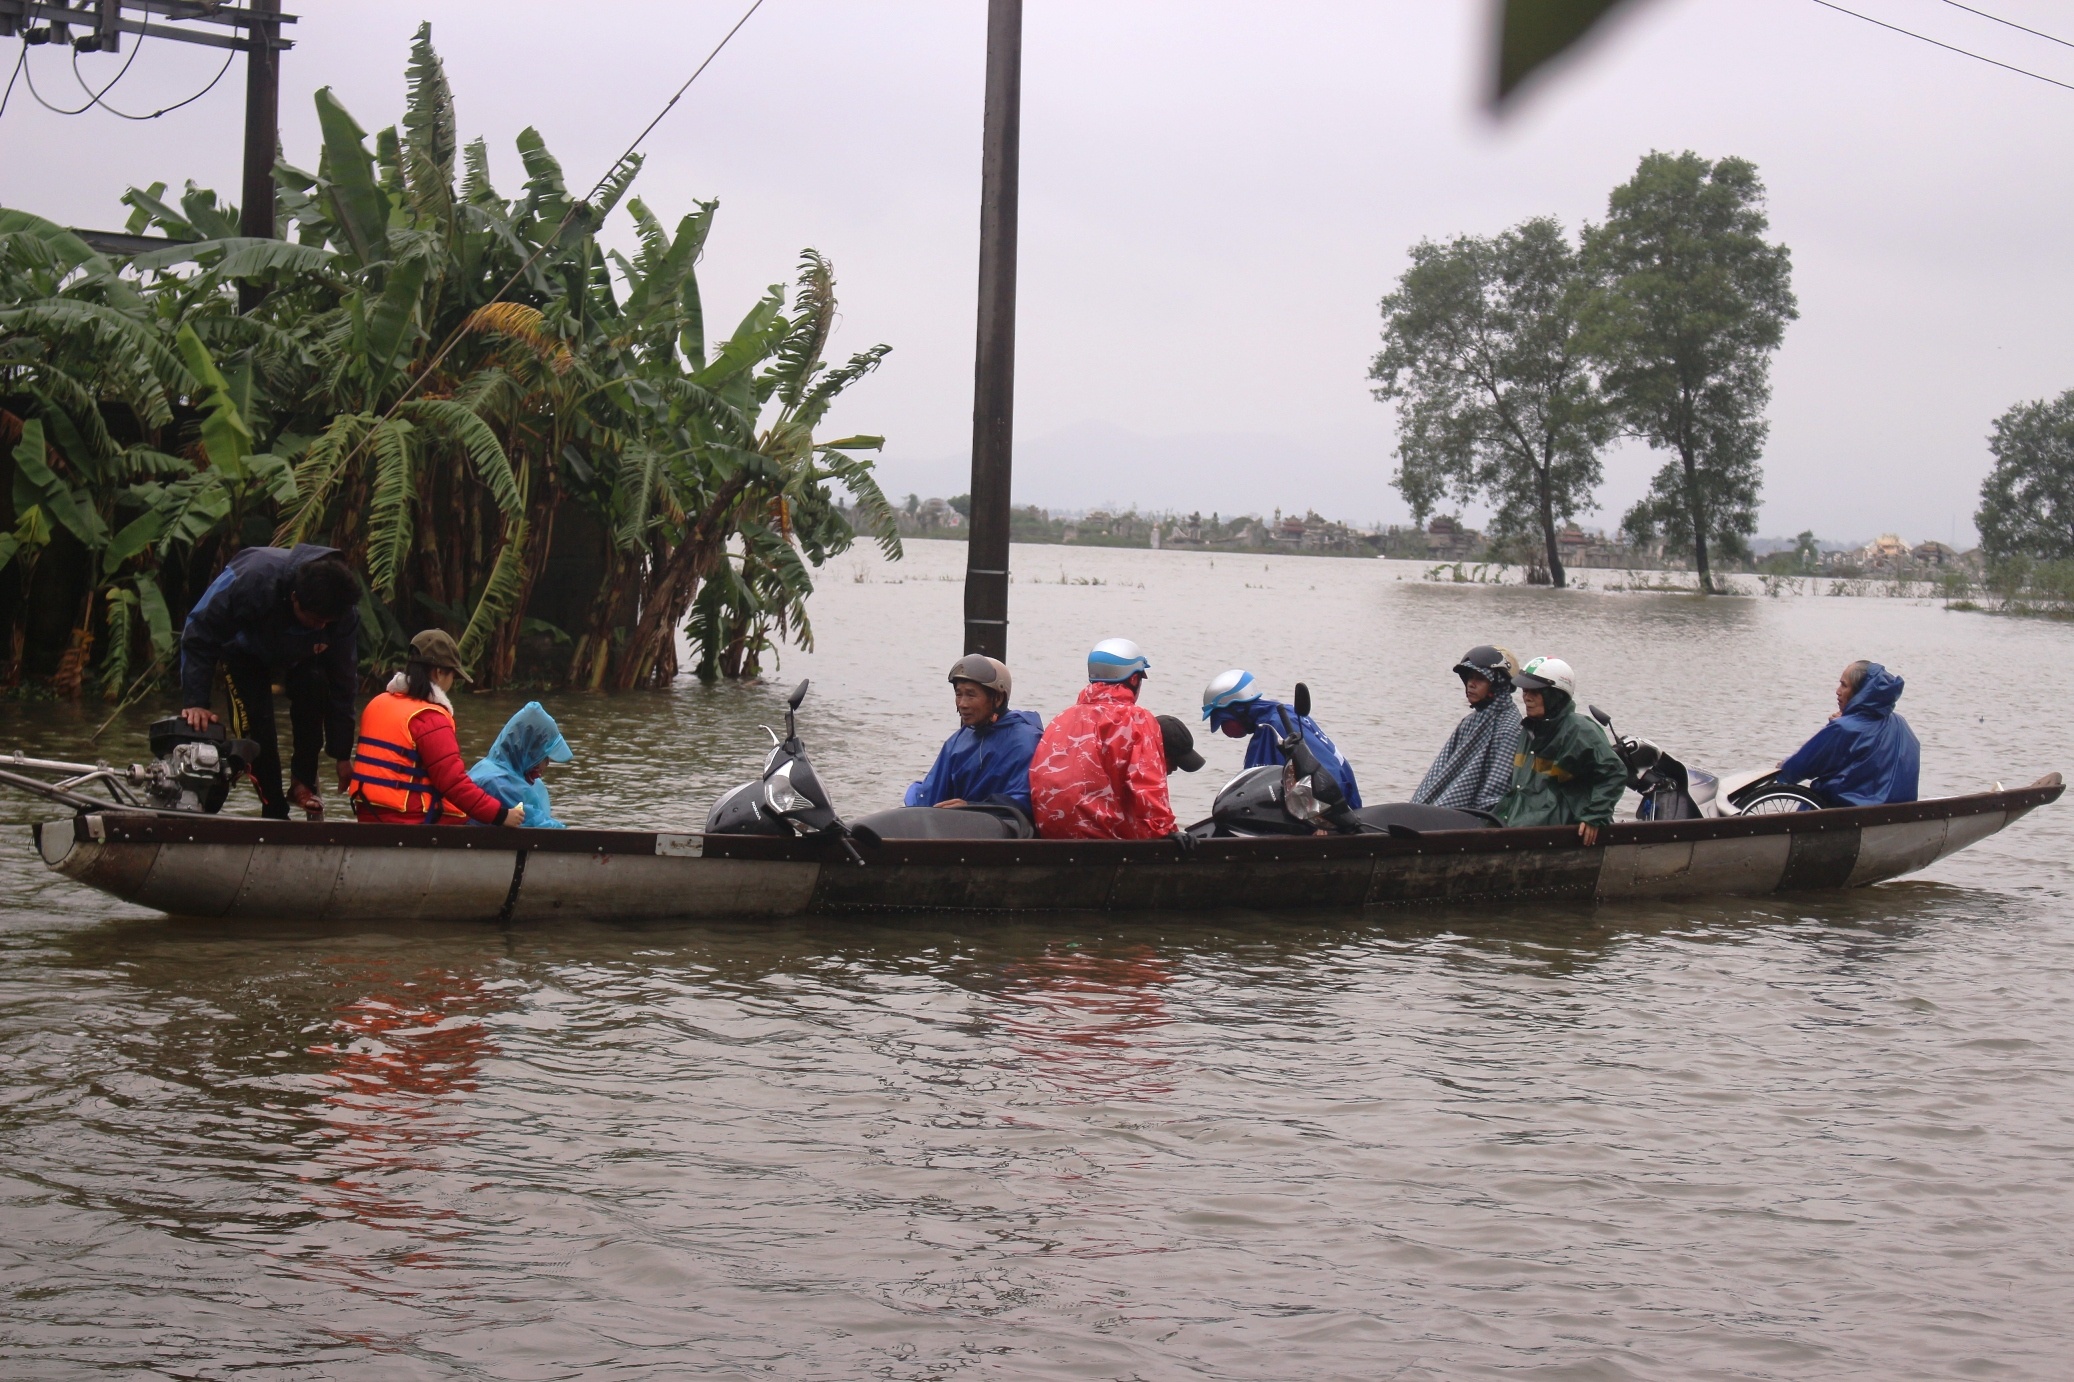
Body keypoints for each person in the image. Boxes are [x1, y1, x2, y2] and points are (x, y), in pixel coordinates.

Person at [178, 543, 361, 820]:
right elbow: (199, 632)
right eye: (315, 620)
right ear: (295, 598)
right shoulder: (252, 580)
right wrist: (196, 702)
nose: (321, 627)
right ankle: (274, 809)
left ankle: (302, 781)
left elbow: (343, 682)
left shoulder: (341, 613)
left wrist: (342, 754)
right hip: (243, 654)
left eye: (327, 622)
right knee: (259, 732)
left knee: (316, 686)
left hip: (301, 657)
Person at [348, 630, 522, 827]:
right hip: (410, 820)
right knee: (481, 813)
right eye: (452, 676)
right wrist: (501, 815)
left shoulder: (377, 703)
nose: (451, 684)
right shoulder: (430, 718)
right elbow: (454, 783)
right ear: (439, 673)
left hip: (368, 813)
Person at [1028, 638, 1184, 841]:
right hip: (1106, 841)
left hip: (1054, 836)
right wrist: (1166, 831)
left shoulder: (1061, 718)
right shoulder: (1137, 719)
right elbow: (1147, 784)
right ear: (1134, 679)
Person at [1494, 655, 1624, 845]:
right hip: (1517, 821)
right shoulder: (1529, 729)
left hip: (1553, 828)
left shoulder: (1579, 730)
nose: (1526, 698)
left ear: (1555, 695)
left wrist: (1594, 817)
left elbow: (1614, 773)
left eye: (1535, 692)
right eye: (1525, 690)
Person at [903, 654, 1044, 816]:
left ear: (997, 698)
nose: (962, 704)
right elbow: (930, 794)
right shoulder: (957, 741)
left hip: (1003, 833)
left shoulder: (1026, 741)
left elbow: (1025, 802)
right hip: (958, 829)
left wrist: (971, 808)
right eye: (958, 694)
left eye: (971, 695)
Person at [1200, 668, 1362, 808]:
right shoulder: (1279, 715)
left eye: (1222, 721)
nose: (1223, 728)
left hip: (1336, 815)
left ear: (1235, 709)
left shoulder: (1278, 724)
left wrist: (1326, 816)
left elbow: (1327, 774)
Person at [1777, 660, 1920, 806]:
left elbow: (1800, 767)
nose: (1838, 691)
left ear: (1861, 692)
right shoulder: (1901, 724)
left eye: (1844, 685)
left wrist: (1784, 768)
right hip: (1896, 816)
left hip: (1844, 818)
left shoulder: (1843, 727)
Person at [1411, 646, 1523, 814]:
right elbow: (1437, 775)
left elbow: (1493, 794)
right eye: (1469, 677)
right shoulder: (1470, 722)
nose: (1471, 684)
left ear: (1498, 683)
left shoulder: (1510, 729)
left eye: (1480, 678)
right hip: (1442, 812)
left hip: (1470, 820)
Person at [469, 701, 573, 828]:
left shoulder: (490, 768)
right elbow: (541, 828)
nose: (547, 763)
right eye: (543, 756)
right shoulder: (499, 783)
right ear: (529, 751)